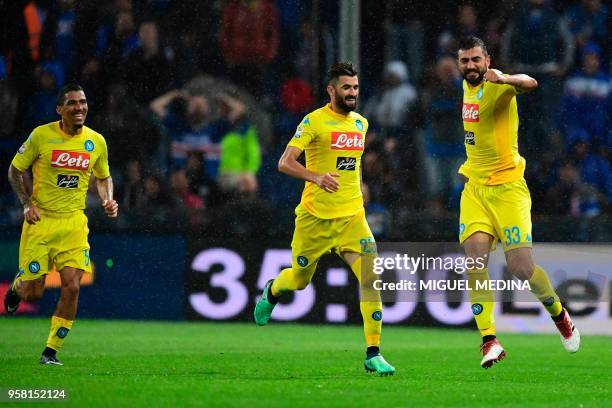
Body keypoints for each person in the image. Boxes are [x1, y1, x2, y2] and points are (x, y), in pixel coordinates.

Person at [254, 62, 395, 376]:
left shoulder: (361, 124)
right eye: (346, 88)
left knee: (371, 281)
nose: (352, 93)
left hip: (352, 218)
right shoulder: (313, 121)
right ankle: (273, 291)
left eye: (356, 88)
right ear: (331, 90)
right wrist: (315, 177)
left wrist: (360, 188)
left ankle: (373, 354)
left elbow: (350, 165)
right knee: (300, 281)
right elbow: (284, 163)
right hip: (315, 219)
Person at [455, 37, 580, 369]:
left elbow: (531, 83)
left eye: (475, 60)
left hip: (509, 189)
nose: (471, 66)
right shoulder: (466, 88)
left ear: (487, 60)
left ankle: (559, 313)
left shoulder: (498, 83)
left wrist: (506, 78)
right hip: (476, 190)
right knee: (474, 262)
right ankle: (489, 341)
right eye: (465, 61)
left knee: (522, 268)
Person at [3, 83, 118, 365]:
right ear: (60, 110)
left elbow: (103, 177)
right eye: (72, 103)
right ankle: (18, 287)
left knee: (72, 286)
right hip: (41, 221)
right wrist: (26, 204)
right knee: (34, 290)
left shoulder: (96, 141)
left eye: (83, 102)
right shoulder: (41, 136)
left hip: (74, 224)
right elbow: (15, 170)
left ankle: (51, 350)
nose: (79, 107)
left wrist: (108, 199)